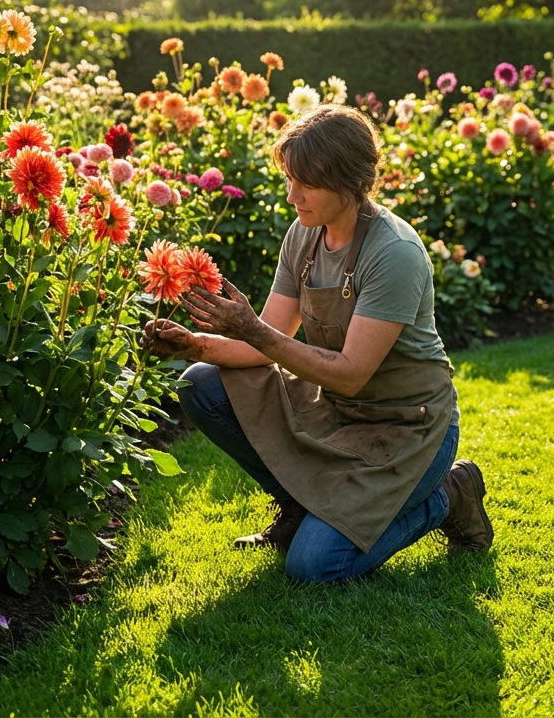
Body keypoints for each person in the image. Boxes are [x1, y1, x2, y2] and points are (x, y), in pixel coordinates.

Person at [139, 104, 493, 584]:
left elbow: (351, 371)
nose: (292, 196)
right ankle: (295, 508)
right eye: (290, 179)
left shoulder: (394, 253)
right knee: (201, 383)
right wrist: (193, 345)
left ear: (348, 182)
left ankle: (450, 493)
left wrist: (253, 330)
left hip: (408, 428)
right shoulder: (304, 237)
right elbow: (265, 344)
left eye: (305, 183)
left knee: (315, 567)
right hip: (337, 410)